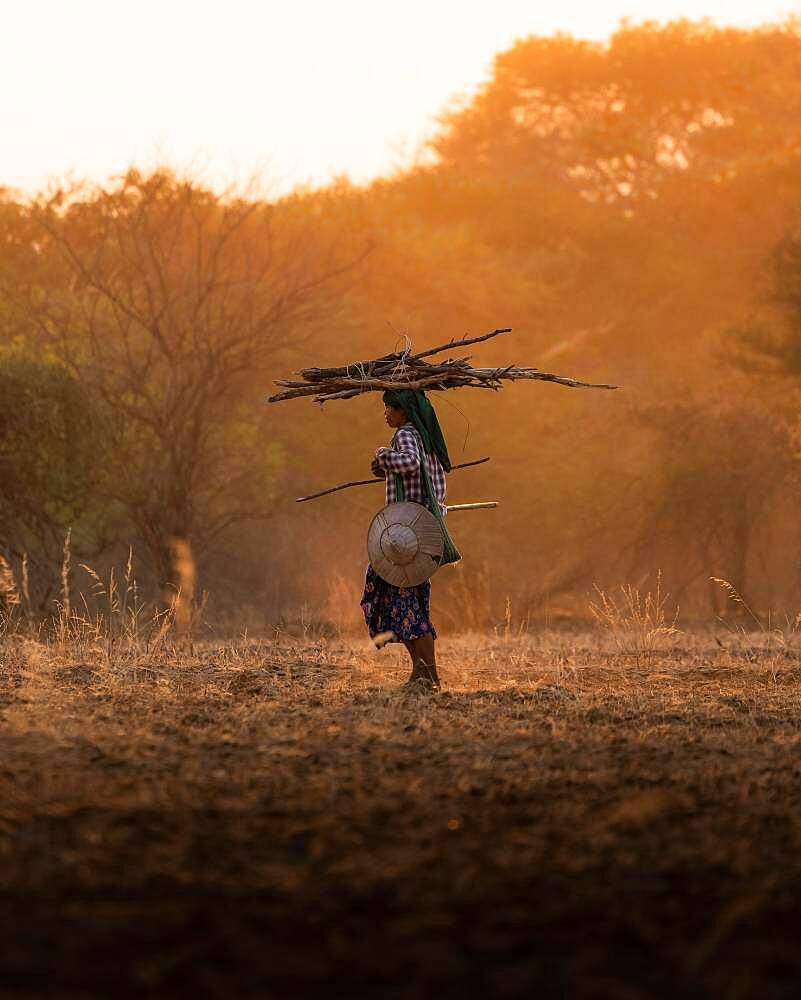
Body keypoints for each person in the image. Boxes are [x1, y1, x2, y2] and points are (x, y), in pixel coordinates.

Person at [360, 388, 451, 691]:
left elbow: (409, 463)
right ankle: (423, 675)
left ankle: (428, 676)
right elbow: (413, 472)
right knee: (407, 601)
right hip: (418, 533)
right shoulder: (423, 437)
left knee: (403, 601)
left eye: (388, 407)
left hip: (408, 536)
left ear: (403, 411)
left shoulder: (405, 435)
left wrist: (382, 456)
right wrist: (384, 468)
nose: (385, 413)